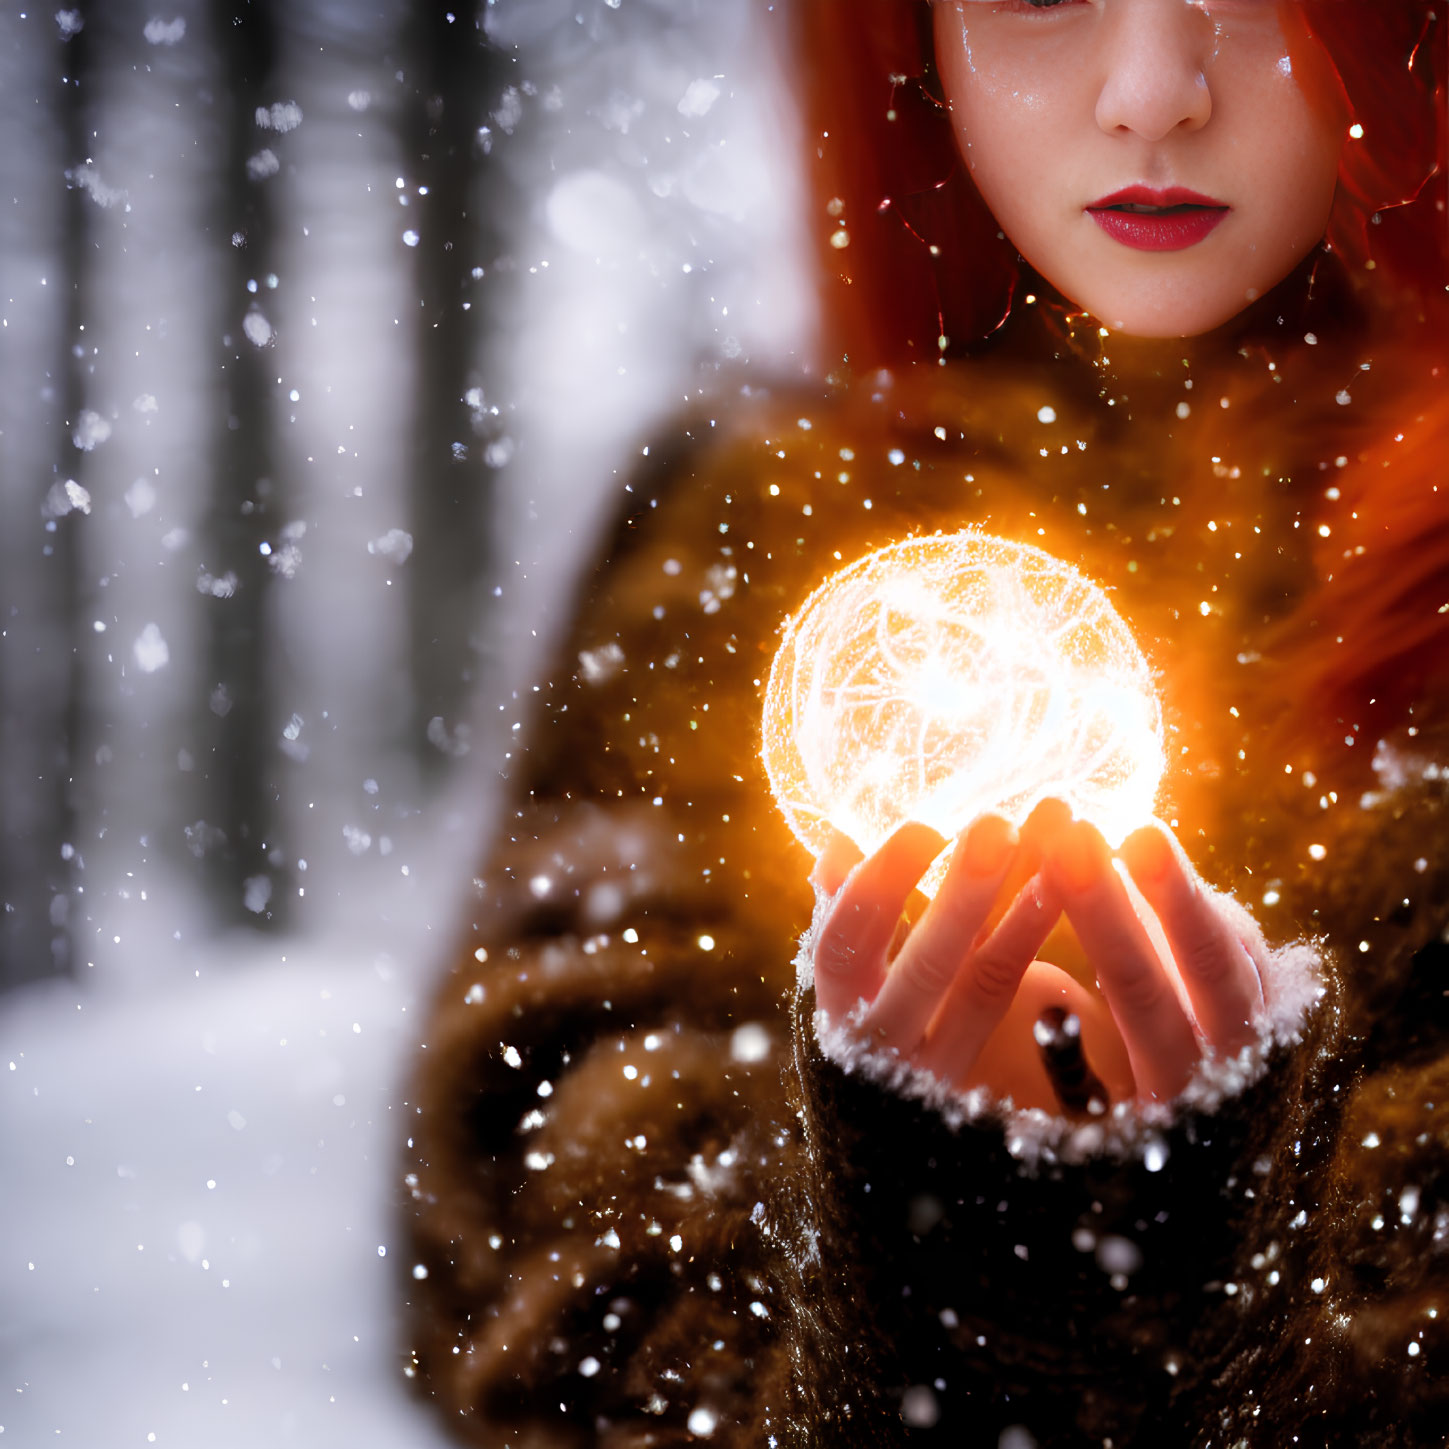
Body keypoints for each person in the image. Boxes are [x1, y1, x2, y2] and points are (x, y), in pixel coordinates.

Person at [402, 2, 1449, 1444]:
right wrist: (918, 1268)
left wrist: (1230, 1310)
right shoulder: (754, 529)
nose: (1153, 93)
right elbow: (533, 1256)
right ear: (903, 35)